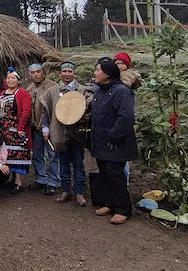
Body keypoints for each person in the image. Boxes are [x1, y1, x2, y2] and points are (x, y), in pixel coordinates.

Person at [90, 58, 137, 225]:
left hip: (114, 143)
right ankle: (110, 204)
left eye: (98, 70)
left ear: (108, 74)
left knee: (115, 176)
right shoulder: (99, 91)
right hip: (101, 142)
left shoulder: (120, 91)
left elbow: (127, 117)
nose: (95, 73)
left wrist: (114, 136)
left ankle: (123, 209)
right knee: (105, 175)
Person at [47, 61, 93, 207]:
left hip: (77, 133)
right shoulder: (53, 91)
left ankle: (80, 193)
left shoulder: (83, 91)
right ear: (60, 74)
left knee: (79, 164)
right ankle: (66, 191)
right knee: (63, 164)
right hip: (60, 133)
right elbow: (46, 110)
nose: (67, 74)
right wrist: (45, 128)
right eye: (64, 71)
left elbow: (90, 108)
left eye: (69, 71)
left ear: (74, 74)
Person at [26, 64, 60, 196]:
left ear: (43, 72)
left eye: (38, 72)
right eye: (32, 72)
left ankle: (53, 181)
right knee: (38, 154)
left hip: (50, 126)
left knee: (53, 155)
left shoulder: (52, 86)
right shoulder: (29, 88)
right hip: (35, 127)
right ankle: (41, 179)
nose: (35, 75)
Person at [0, 69, 32, 194]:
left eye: (13, 78)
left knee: (18, 155)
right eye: (8, 78)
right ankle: (11, 179)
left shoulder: (22, 93)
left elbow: (26, 111)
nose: (10, 80)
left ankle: (18, 182)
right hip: (4, 130)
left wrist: (21, 128)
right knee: (7, 154)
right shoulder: (2, 93)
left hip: (16, 130)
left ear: (18, 80)